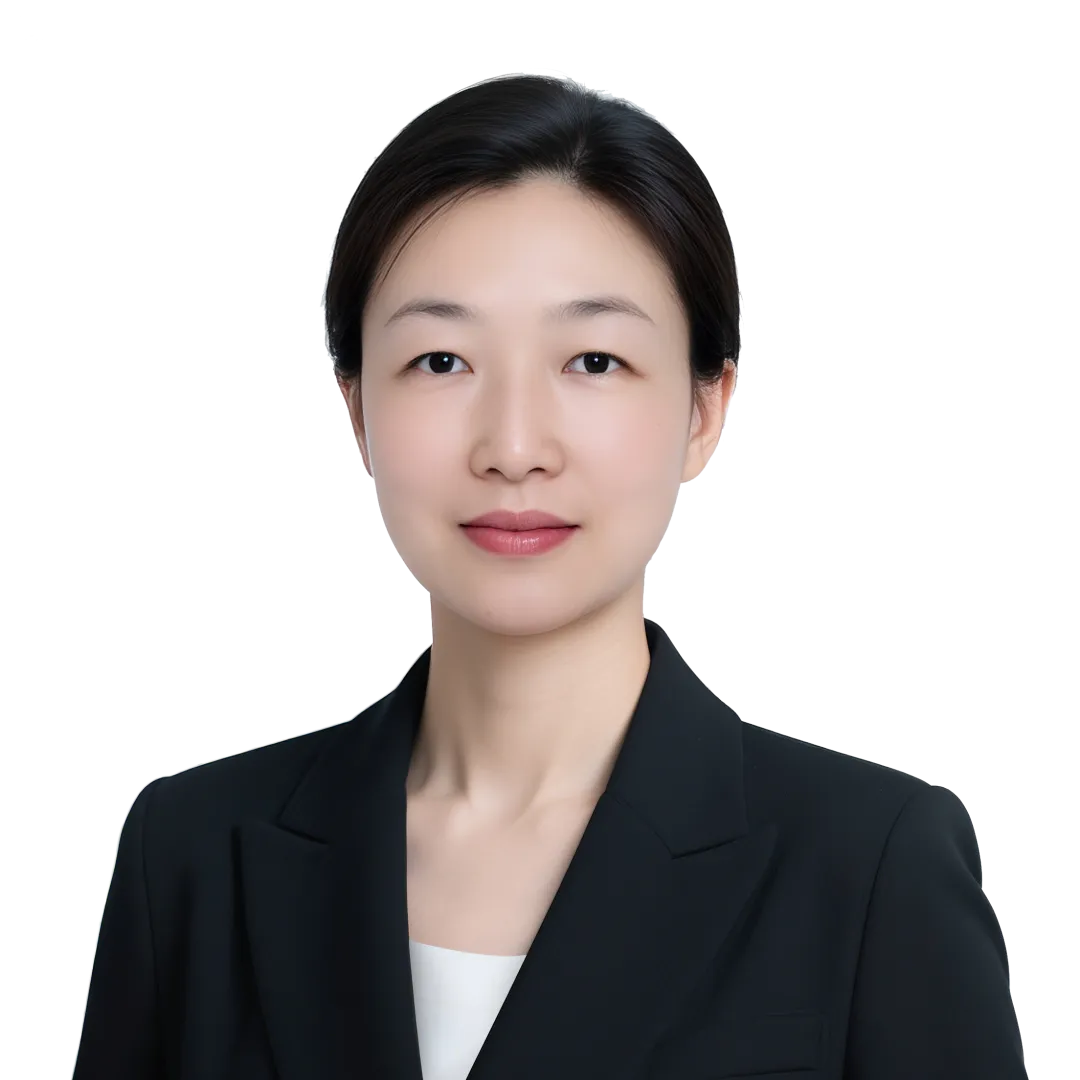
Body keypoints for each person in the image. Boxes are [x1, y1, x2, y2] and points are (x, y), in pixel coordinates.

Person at [73, 74, 1025, 1079]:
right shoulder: (193, 854)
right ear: (354, 407)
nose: (515, 448)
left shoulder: (870, 866)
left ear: (706, 409)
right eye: (441, 361)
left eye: (594, 361)